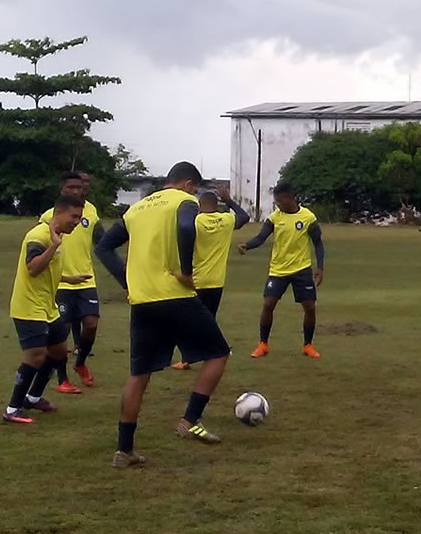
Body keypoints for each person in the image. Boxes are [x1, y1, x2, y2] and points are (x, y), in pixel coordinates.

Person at [96, 161, 232, 467]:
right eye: (195, 190)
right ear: (188, 184)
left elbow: (104, 248)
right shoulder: (183, 200)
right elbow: (186, 227)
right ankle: (190, 420)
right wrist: (186, 271)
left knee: (138, 375)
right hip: (175, 295)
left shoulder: (136, 209)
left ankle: (124, 449)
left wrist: (128, 282)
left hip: (142, 300)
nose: (196, 195)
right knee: (219, 353)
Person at [4, 195, 89, 424]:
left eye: (80, 217)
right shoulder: (39, 236)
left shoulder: (56, 235)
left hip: (47, 306)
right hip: (28, 307)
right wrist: (54, 246)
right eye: (73, 216)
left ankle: (33, 396)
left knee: (59, 351)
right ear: (57, 214)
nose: (76, 221)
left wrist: (70, 279)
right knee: (35, 355)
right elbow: (33, 268)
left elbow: (49, 270)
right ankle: (12, 409)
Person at [240, 182, 325, 359]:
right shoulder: (274, 218)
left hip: (301, 269)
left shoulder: (308, 217)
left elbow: (317, 242)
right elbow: (261, 238)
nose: (277, 204)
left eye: (279, 200)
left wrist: (320, 267)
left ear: (290, 198)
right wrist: (247, 246)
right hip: (278, 270)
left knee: (309, 307)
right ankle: (263, 344)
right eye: (276, 201)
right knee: (268, 305)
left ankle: (308, 345)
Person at [39, 172, 105, 393]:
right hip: (62, 282)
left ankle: (80, 363)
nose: (77, 191)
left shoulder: (92, 211)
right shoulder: (49, 216)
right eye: (71, 187)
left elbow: (100, 242)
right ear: (62, 190)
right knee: (62, 332)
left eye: (79, 187)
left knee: (92, 325)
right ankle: (62, 379)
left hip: (86, 279)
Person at [172, 185, 250, 369]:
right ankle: (208, 353)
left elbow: (183, 235)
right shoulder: (226, 219)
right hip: (217, 280)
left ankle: (198, 356)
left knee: (188, 320)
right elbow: (245, 217)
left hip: (196, 280)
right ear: (217, 204)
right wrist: (229, 201)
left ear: (199, 205)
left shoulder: (196, 222)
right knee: (208, 318)